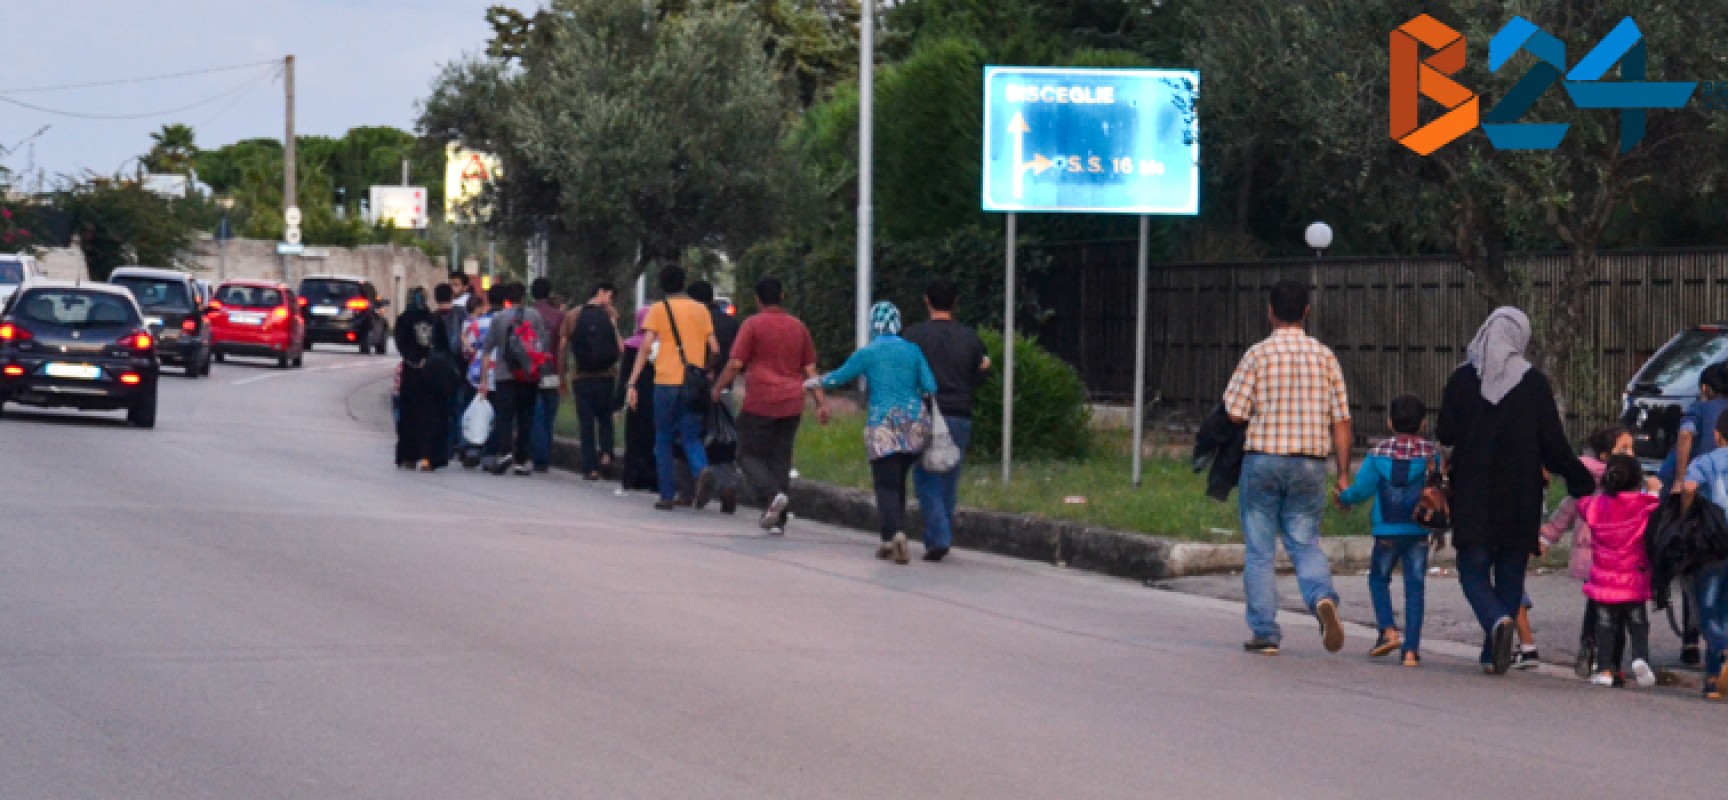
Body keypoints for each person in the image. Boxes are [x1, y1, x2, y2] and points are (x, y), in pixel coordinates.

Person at [1437, 307, 1595, 675]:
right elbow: (1554, 445)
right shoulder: (1534, 383)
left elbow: (1445, 433)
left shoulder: (1462, 380)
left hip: (1474, 491)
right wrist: (1579, 479)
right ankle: (1494, 653)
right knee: (1510, 571)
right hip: (1520, 494)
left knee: (1472, 569)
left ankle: (1496, 624)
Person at [1222, 280, 1352, 656]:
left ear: (1270, 311)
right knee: (1304, 541)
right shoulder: (1325, 357)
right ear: (1307, 312)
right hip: (1311, 464)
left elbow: (1235, 412)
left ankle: (1265, 631)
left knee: (1260, 550)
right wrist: (1342, 475)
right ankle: (1322, 598)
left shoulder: (1257, 355)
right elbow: (1341, 420)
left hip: (1263, 459)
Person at [813, 302, 937, 565]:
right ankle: (889, 537)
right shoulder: (912, 350)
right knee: (899, 481)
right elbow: (930, 385)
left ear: (873, 325)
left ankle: (895, 535)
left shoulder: (869, 352)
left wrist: (815, 382)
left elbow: (840, 377)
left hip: (883, 423)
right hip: (914, 424)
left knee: (885, 484)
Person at [713, 276, 828, 534]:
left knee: (746, 453)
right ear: (782, 297)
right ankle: (779, 518)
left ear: (757, 299)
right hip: (792, 403)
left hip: (761, 402)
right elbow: (810, 369)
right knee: (780, 458)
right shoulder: (798, 327)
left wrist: (718, 388)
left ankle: (771, 494)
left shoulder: (752, 325)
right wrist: (821, 402)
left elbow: (734, 364)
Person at [1337, 394, 1437, 668]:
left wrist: (1343, 498)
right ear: (1424, 425)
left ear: (1390, 422)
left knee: (1379, 579)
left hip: (1386, 531)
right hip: (1419, 530)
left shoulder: (1378, 454)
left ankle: (1388, 630)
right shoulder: (1432, 455)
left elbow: (1363, 489)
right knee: (1415, 587)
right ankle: (1411, 651)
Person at [1540, 427, 1637, 677]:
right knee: (1614, 610)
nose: (1630, 454)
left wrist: (1548, 537)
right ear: (1605, 455)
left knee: (1599, 606)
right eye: (1623, 448)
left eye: (1631, 448)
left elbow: (1565, 512)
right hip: (1608, 556)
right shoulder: (1609, 483)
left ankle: (1591, 647)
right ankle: (1608, 660)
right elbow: (1567, 511)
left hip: (1600, 556)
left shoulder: (1593, 482)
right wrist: (1546, 537)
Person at [904, 279, 989, 562]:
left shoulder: (914, 336)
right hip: (959, 412)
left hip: (925, 411)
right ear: (956, 303)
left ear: (926, 301)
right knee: (950, 475)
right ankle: (942, 532)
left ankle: (938, 537)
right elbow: (978, 375)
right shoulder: (970, 337)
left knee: (926, 475)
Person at [624, 264, 719, 511]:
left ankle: (667, 495)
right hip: (693, 384)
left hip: (666, 381)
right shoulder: (701, 310)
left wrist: (633, 380)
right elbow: (716, 349)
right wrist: (704, 371)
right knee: (690, 435)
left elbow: (645, 347)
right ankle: (701, 469)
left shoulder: (658, 309)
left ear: (662, 285)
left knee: (664, 438)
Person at [1662, 364, 1728, 665]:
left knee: (1696, 576)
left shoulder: (1698, 410)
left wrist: (1679, 479)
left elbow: (1685, 437)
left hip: (1705, 514)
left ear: (1704, 388)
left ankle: (1692, 643)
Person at [1578, 455, 1660, 688]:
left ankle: (1605, 669)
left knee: (1605, 626)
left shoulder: (1596, 506)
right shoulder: (1640, 505)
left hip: (1603, 579)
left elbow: (1583, 505)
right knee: (1638, 623)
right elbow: (1654, 511)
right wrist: (1653, 490)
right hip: (1633, 577)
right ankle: (1640, 658)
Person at [1679, 412, 1728, 699]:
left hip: (1712, 544)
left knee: (1708, 607)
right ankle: (1714, 678)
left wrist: (1687, 511)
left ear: (1717, 435)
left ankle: (1720, 654)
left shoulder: (1706, 461)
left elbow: (1689, 486)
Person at [481, 283, 551, 476]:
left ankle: (505, 452)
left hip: (504, 375)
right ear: (524, 297)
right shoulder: (535, 316)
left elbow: (487, 349)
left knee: (505, 416)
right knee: (526, 417)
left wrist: (484, 380)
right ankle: (522, 459)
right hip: (529, 375)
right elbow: (542, 343)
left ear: (507, 300)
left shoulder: (499, 318)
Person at [684, 280, 741, 510]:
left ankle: (689, 489)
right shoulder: (731, 323)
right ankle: (727, 488)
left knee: (688, 436)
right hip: (725, 388)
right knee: (724, 440)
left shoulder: (693, 321)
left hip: (695, 389)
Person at [563, 281, 623, 481]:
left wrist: (562, 371)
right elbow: (620, 348)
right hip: (606, 376)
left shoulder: (573, 315)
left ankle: (591, 468)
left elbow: (563, 344)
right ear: (601, 293)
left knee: (586, 423)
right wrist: (614, 325)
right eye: (610, 295)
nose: (610, 300)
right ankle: (606, 454)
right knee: (606, 419)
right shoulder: (610, 314)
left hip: (581, 377)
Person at [393, 288, 454, 471]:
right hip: (433, 376)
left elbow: (401, 345)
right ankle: (428, 456)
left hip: (412, 374)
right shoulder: (434, 320)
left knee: (410, 416)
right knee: (430, 416)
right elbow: (444, 347)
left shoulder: (404, 320)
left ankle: (409, 456)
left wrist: (414, 360)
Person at [529, 278, 567, 473]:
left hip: (530, 370)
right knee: (549, 415)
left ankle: (539, 456)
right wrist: (562, 376)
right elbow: (561, 349)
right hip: (551, 368)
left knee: (536, 413)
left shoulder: (526, 314)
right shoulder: (559, 316)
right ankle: (545, 455)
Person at [458, 290, 497, 468]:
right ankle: (491, 450)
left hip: (475, 373)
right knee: (495, 413)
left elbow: (466, 351)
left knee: (473, 410)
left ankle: (471, 447)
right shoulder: (509, 322)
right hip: (500, 375)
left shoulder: (475, 324)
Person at [434, 284, 470, 452]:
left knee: (441, 408)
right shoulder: (462, 314)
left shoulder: (432, 317)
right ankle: (460, 443)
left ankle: (445, 443)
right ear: (451, 296)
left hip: (438, 370)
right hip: (460, 367)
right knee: (460, 406)